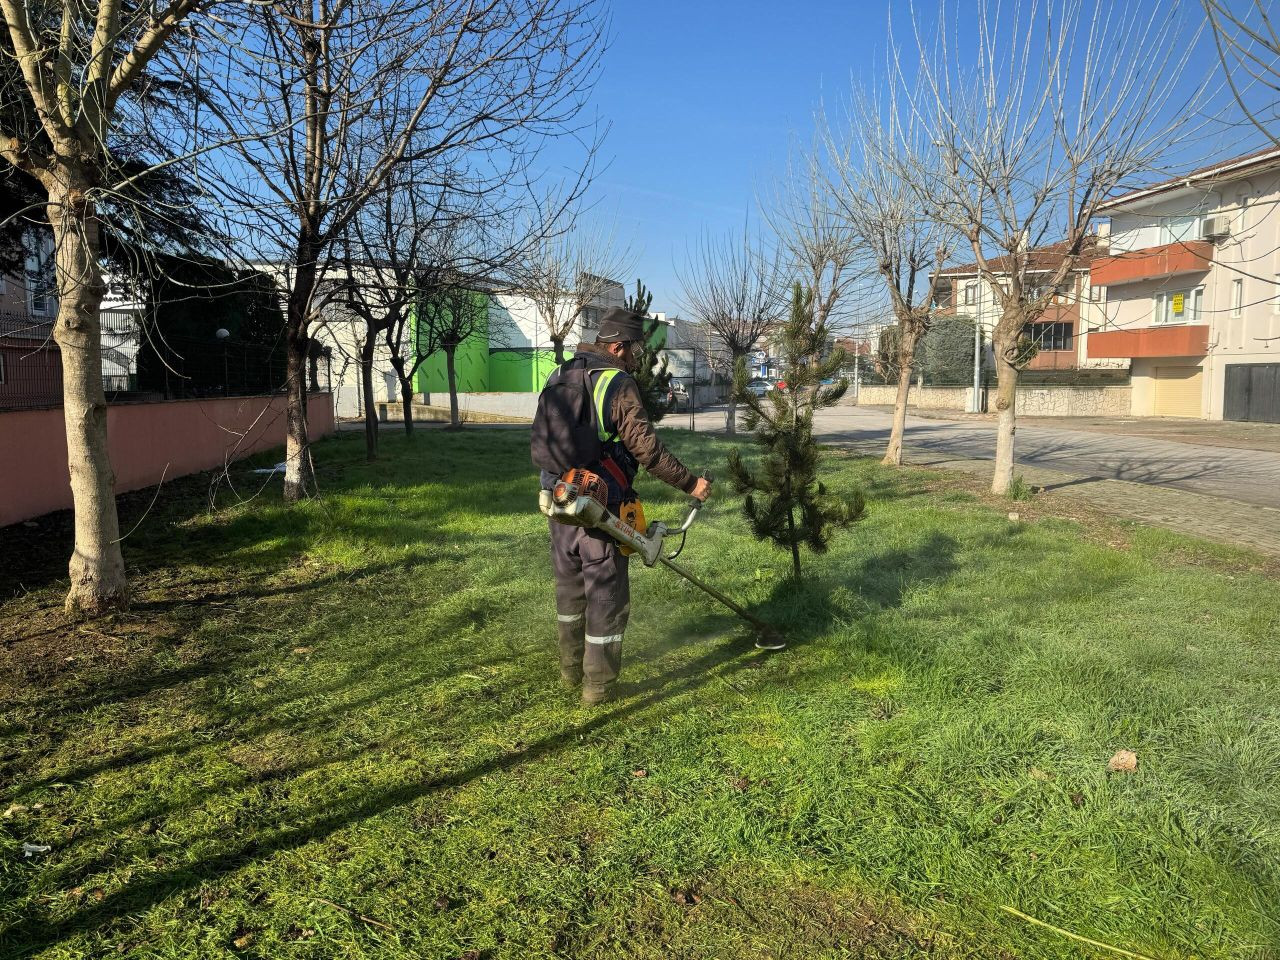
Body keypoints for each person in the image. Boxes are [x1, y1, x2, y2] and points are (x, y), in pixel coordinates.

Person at [531, 307, 712, 705]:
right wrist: (690, 484)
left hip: (559, 501)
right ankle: (597, 688)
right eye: (633, 351)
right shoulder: (616, 381)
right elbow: (646, 450)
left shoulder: (559, 374)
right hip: (600, 509)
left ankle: (569, 670)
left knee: (569, 592)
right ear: (617, 346)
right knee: (606, 599)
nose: (636, 359)